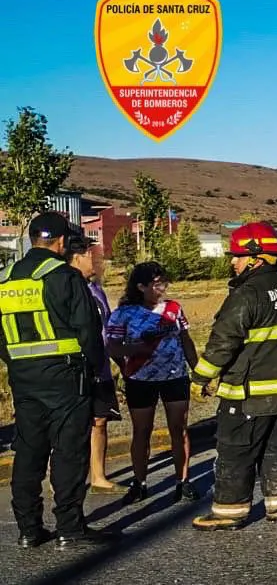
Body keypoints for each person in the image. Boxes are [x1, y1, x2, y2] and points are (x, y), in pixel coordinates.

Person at [0, 212, 118, 548]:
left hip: (23, 379)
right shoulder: (65, 276)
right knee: (68, 453)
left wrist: (17, 361)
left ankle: (28, 530)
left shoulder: (5, 279)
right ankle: (70, 528)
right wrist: (96, 372)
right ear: (62, 241)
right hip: (66, 378)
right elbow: (88, 331)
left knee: (29, 452)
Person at [190, 222, 277, 530]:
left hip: (249, 394)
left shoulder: (247, 294)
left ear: (256, 258)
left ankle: (229, 511)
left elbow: (222, 343)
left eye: (238, 256)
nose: (233, 262)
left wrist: (200, 378)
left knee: (235, 451)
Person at [105, 261, 200, 504]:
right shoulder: (123, 314)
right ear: (141, 286)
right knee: (142, 431)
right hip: (140, 379)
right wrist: (130, 358)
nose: (163, 288)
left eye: (164, 283)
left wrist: (197, 370)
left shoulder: (174, 308)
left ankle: (183, 481)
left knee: (179, 429)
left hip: (175, 377)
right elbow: (112, 347)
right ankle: (140, 483)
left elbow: (186, 339)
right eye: (157, 284)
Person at [63, 227, 123, 494]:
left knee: (100, 420)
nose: (96, 261)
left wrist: (119, 361)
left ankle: (98, 476)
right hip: (75, 368)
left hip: (101, 367)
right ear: (77, 257)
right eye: (91, 255)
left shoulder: (96, 288)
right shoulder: (66, 288)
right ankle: (64, 479)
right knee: (71, 425)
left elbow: (106, 329)